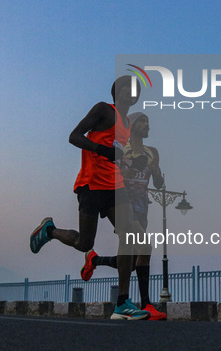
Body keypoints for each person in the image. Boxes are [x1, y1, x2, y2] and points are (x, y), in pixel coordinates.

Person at [30, 75, 150, 320]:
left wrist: (127, 161)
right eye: (126, 88)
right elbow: (74, 136)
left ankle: (122, 303)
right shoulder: (104, 110)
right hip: (91, 185)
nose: (131, 92)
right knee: (85, 243)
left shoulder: (127, 122)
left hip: (115, 187)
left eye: (135, 90)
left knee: (130, 236)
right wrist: (101, 149)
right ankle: (50, 230)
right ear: (115, 92)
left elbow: (115, 154)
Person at [80, 112, 167, 320]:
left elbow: (157, 184)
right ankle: (146, 304)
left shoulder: (152, 152)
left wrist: (156, 171)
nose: (146, 125)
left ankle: (95, 260)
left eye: (148, 121)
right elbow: (111, 174)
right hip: (122, 205)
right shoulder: (121, 148)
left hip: (142, 207)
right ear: (132, 126)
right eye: (142, 121)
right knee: (144, 248)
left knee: (135, 256)